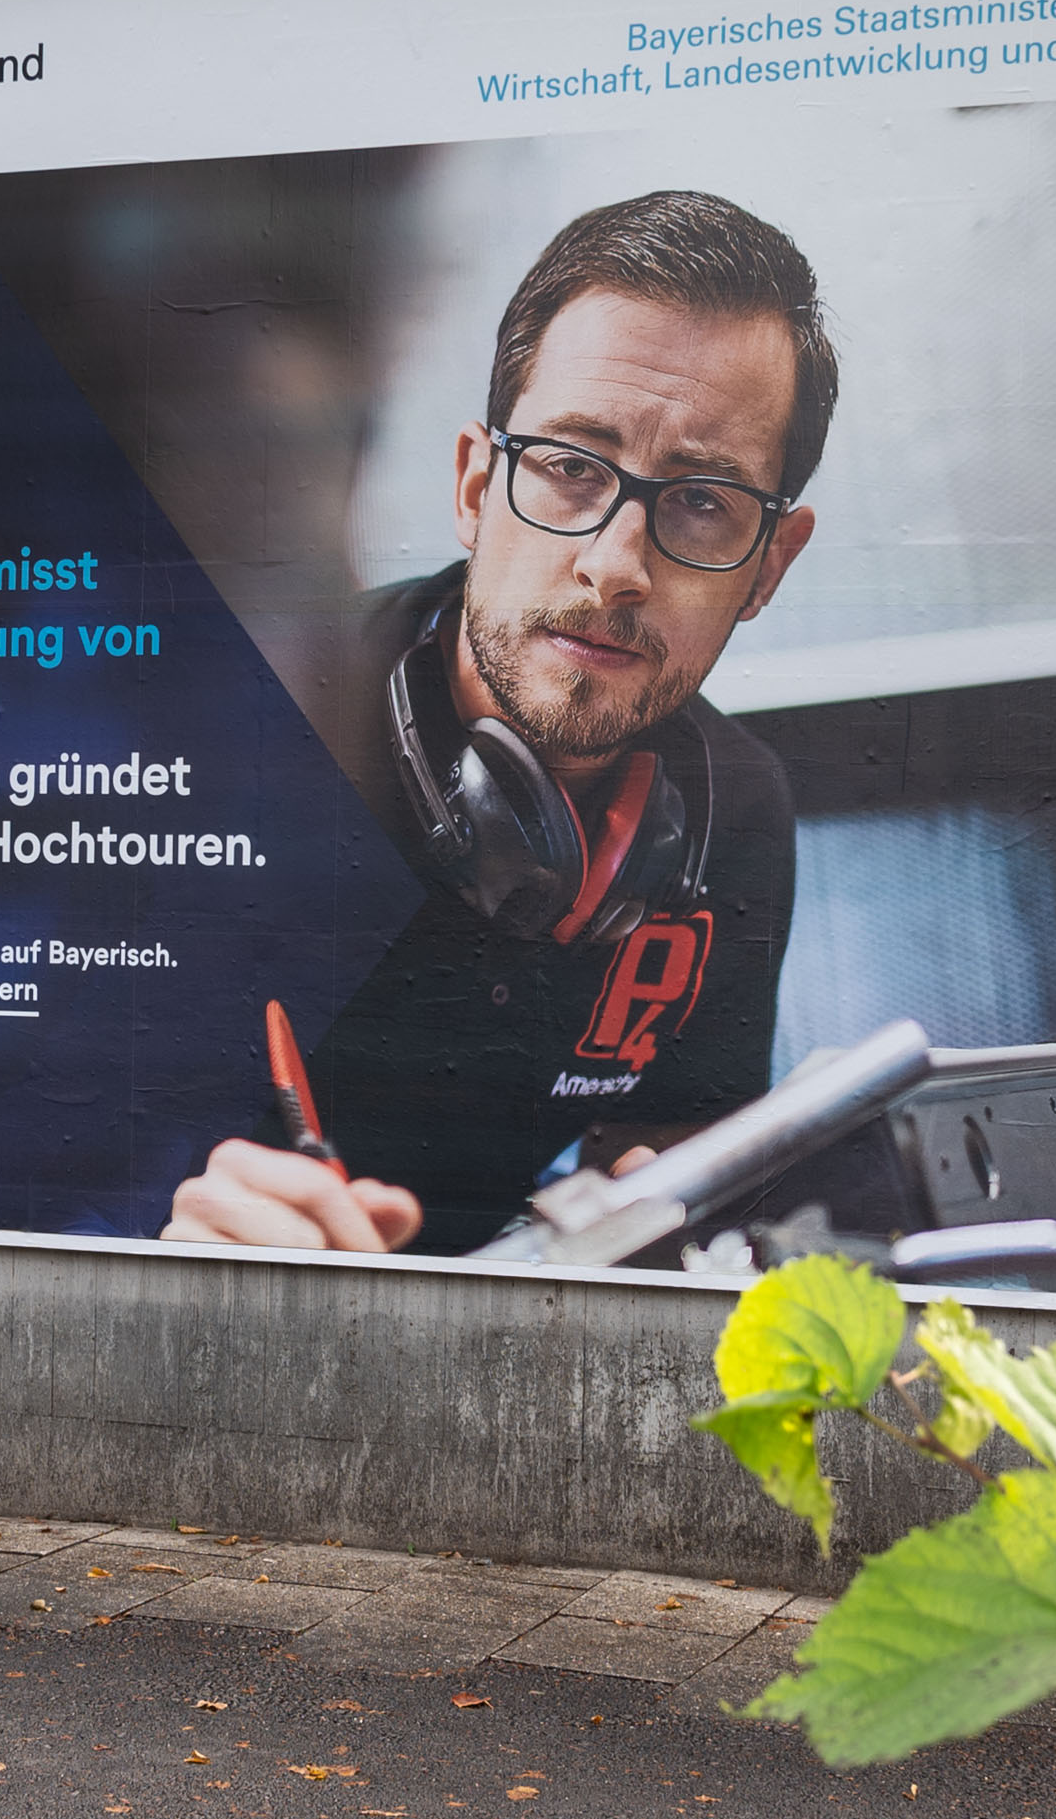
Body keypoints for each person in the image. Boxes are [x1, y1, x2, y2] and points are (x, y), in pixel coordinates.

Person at [165, 189, 823, 1256]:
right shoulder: (239, 742)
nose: (615, 565)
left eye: (704, 500)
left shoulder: (735, 811)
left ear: (768, 567)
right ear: (476, 486)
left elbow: (673, 1164)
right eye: (570, 468)